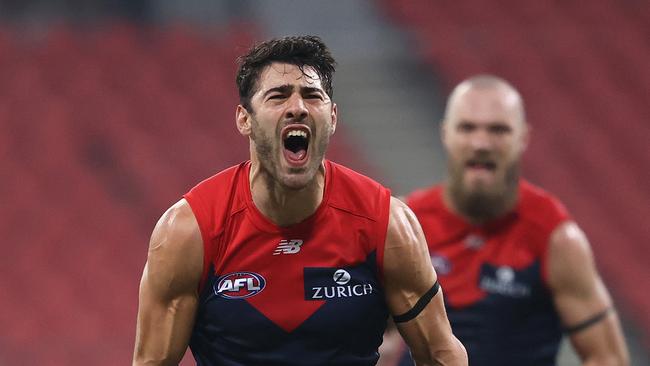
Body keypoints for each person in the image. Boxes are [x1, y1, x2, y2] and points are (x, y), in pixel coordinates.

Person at [132, 35, 467, 366]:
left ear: (332, 117)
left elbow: (440, 353)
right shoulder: (190, 231)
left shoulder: (386, 225)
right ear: (244, 119)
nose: (297, 108)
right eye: (278, 96)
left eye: (312, 95)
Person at [384, 75, 629, 366]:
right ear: (445, 134)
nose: (481, 143)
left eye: (498, 130)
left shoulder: (556, 237)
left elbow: (607, 357)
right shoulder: (405, 225)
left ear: (522, 138)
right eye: (467, 128)